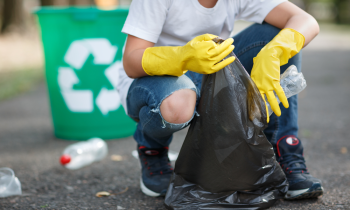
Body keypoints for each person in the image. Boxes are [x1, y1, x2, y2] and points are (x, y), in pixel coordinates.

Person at [118, 0, 323, 200]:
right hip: (156, 83)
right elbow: (131, 61)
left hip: (212, 73)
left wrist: (275, 51)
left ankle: (285, 152)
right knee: (178, 104)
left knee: (282, 34)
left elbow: (305, 20)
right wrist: (182, 57)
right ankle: (152, 150)